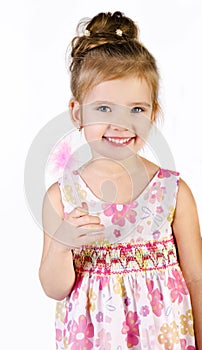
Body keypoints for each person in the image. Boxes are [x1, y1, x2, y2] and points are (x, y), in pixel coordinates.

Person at [39, 11, 202, 349]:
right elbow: (55, 288)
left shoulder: (172, 193)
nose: (121, 124)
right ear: (77, 112)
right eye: (103, 109)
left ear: (153, 114)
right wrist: (62, 243)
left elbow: (197, 280)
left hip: (164, 338)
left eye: (137, 110)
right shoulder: (62, 197)